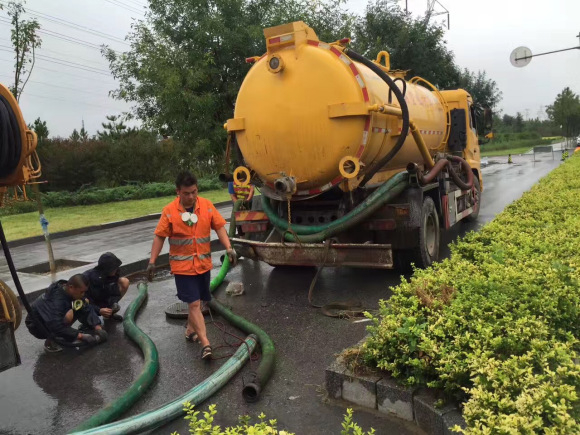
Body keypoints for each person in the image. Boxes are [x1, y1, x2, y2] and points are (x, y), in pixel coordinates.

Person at [147, 171, 238, 360]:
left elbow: (220, 227)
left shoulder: (206, 206)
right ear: (177, 192)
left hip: (203, 265)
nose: (191, 197)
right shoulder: (170, 211)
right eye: (186, 193)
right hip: (183, 268)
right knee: (194, 303)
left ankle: (190, 330)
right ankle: (206, 344)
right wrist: (152, 262)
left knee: (199, 300)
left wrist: (229, 248)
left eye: (194, 192)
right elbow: (160, 236)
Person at [25, 274, 107, 353]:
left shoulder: (69, 291)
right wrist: (80, 336)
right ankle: (52, 342)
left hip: (50, 320)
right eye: (81, 292)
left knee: (82, 303)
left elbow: (85, 307)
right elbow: (55, 325)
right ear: (71, 287)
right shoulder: (57, 300)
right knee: (68, 314)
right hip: (37, 326)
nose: (83, 294)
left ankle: (65, 334)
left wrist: (97, 327)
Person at [83, 252, 129, 321]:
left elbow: (114, 292)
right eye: (113, 269)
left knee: (125, 281)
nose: (116, 270)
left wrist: (114, 303)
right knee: (84, 303)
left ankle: (109, 314)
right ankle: (88, 323)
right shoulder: (88, 277)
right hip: (92, 303)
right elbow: (83, 300)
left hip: (103, 300)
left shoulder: (114, 274)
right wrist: (99, 310)